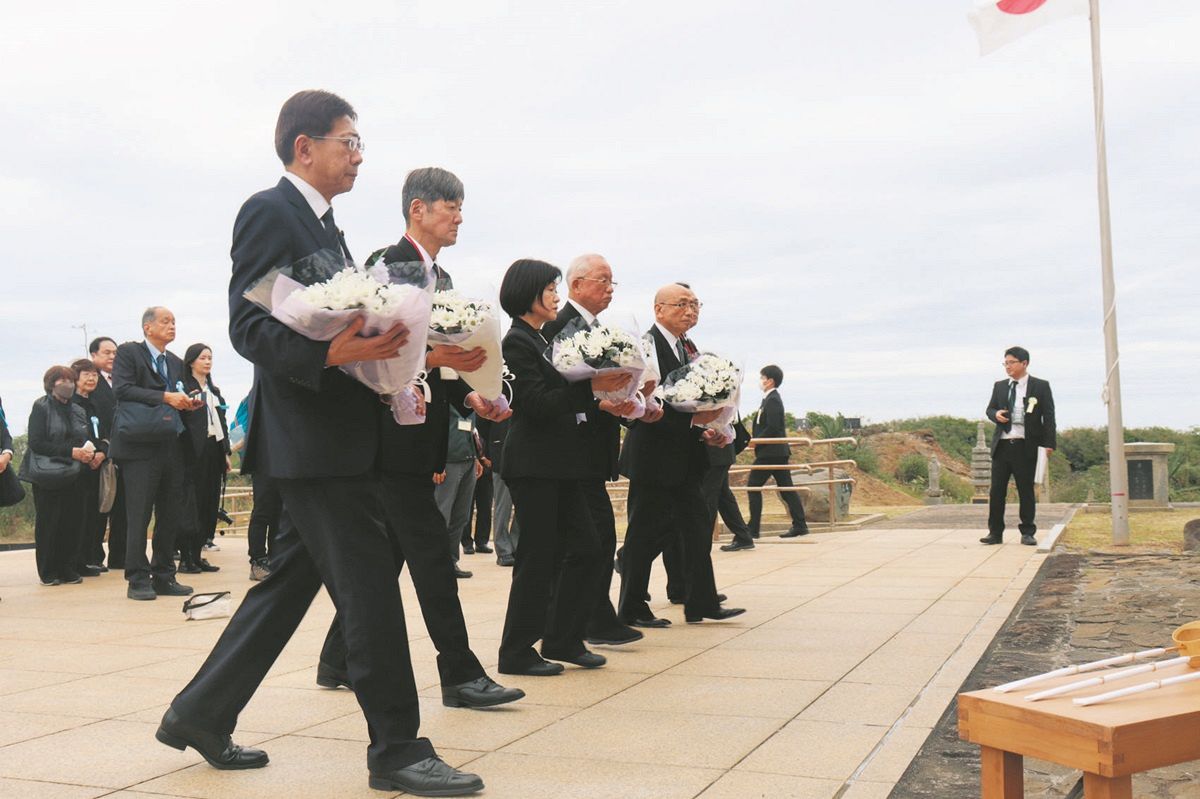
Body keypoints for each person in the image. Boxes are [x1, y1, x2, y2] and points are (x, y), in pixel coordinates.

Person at [158, 92, 483, 796]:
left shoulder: (331, 230)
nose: (358, 155)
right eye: (348, 141)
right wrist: (332, 357)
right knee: (370, 593)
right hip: (312, 443)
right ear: (304, 146)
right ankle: (396, 748)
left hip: (338, 436)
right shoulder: (269, 210)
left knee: (285, 590)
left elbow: (334, 322)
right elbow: (251, 324)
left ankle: (199, 712)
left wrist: (392, 359)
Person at [317, 165, 522, 714]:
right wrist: (436, 359)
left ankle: (336, 659)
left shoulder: (442, 279)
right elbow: (381, 357)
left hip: (418, 438)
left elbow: (439, 368)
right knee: (433, 558)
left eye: (460, 206)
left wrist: (473, 396)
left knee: (384, 565)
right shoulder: (388, 268)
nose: (458, 216)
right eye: (450, 206)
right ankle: (459, 673)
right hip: (388, 442)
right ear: (418, 210)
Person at [496, 258, 633, 676]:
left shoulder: (540, 340)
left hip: (562, 463)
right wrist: (591, 390)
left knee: (589, 549)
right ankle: (516, 651)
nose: (557, 296)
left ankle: (562, 637)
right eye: (550, 289)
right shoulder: (517, 342)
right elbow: (534, 404)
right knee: (538, 557)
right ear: (527, 294)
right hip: (534, 464)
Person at [543, 253, 658, 647]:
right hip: (568, 450)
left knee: (595, 538)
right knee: (592, 539)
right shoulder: (559, 328)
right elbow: (557, 390)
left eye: (613, 283)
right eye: (602, 281)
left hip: (592, 448)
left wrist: (630, 399)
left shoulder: (600, 331)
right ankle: (590, 620)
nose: (609, 289)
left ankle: (587, 620)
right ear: (576, 285)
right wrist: (601, 398)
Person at [617, 283, 745, 627]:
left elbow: (692, 398)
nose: (691, 310)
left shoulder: (688, 347)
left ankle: (700, 601)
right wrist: (692, 418)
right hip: (653, 456)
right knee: (643, 533)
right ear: (659, 309)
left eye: (695, 304)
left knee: (697, 525)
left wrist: (710, 426)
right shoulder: (646, 345)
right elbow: (644, 403)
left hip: (686, 455)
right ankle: (631, 606)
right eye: (682, 304)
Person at [109, 307, 199, 601]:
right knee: (139, 513)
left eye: (174, 321)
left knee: (170, 512)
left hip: (170, 443)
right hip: (139, 446)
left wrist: (185, 402)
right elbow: (122, 389)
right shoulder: (129, 353)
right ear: (148, 327)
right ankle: (137, 577)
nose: (172, 326)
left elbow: (177, 394)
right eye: (165, 321)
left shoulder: (174, 362)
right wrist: (165, 397)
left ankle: (164, 574)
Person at [25, 365, 107, 586]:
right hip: (49, 475)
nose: (68, 385)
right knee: (50, 524)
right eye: (62, 381)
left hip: (75, 474)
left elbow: (84, 436)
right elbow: (37, 442)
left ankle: (68, 567)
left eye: (71, 380)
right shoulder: (41, 407)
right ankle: (48, 571)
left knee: (73, 523)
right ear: (51, 384)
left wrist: (90, 451)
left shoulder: (78, 410)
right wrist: (70, 451)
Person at [982, 346, 1056, 546]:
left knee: (1026, 490)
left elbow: (1048, 416)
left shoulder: (1040, 386)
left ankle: (1027, 531)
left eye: (1011, 362)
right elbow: (990, 409)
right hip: (1003, 444)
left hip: (1026, 445)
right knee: (997, 491)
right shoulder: (1000, 386)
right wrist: (995, 415)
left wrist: (1049, 444)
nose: (1008, 366)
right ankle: (995, 533)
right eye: (1005, 363)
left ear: (1024, 363)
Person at [179, 343, 230, 574]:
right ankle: (186, 556)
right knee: (192, 503)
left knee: (209, 502)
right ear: (191, 361)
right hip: (192, 452)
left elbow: (222, 424)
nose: (207, 362)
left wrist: (225, 452)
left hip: (213, 449)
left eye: (210, 357)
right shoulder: (183, 388)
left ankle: (198, 554)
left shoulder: (214, 391)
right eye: (202, 358)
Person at [745, 365, 809, 540]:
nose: (760, 381)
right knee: (786, 489)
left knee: (753, 486)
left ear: (770, 380)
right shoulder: (768, 399)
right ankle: (800, 525)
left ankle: (753, 529)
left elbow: (773, 426)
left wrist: (756, 442)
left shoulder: (773, 399)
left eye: (762, 377)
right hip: (773, 452)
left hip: (771, 452)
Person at [87, 336, 125, 570]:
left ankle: (120, 556)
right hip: (99, 452)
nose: (112, 357)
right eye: (107, 352)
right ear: (94, 355)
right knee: (99, 505)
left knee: (123, 506)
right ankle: (92, 556)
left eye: (115, 353)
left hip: (125, 450)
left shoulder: (122, 380)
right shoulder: (90, 382)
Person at [69, 358, 105, 577]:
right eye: (87, 375)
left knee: (93, 515)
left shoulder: (95, 403)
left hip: (95, 466)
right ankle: (72, 562)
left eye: (95, 375)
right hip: (74, 467)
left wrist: (102, 452)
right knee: (76, 515)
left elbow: (105, 432)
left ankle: (86, 560)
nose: (92, 379)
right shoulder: (69, 403)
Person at [435, 406, 481, 578]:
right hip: (448, 462)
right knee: (442, 516)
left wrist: (476, 456)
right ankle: (436, 564)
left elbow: (471, 428)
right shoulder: (445, 396)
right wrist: (436, 463)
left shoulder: (469, 398)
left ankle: (451, 561)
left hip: (468, 459)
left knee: (461, 517)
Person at [486, 417, 519, 567]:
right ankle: (503, 550)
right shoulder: (497, 394)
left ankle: (516, 545)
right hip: (501, 456)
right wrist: (486, 454)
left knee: (524, 508)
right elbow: (483, 426)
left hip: (524, 459)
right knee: (503, 507)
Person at [462, 422, 493, 556]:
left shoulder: (491, 412)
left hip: (487, 464)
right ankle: (466, 542)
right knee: (467, 506)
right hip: (469, 462)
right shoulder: (467, 414)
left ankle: (482, 541)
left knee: (485, 505)